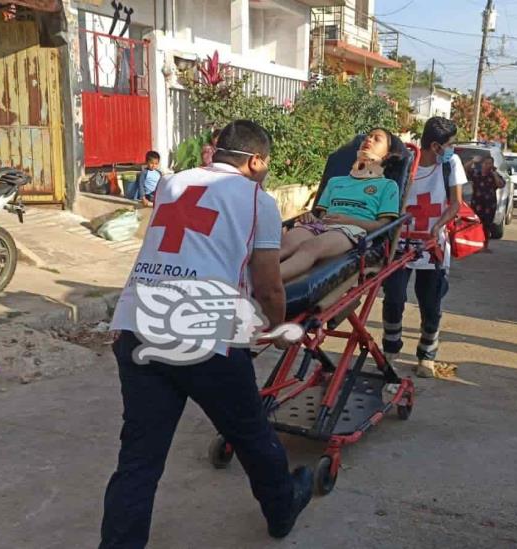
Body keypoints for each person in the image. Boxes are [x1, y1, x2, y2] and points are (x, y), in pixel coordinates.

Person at [100, 120, 313, 548]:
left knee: (139, 458)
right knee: (251, 433)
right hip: (203, 336)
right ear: (256, 161)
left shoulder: (172, 183)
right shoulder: (258, 201)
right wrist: (276, 326)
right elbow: (269, 285)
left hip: (138, 326)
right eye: (266, 165)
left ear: (217, 152)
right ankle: (282, 508)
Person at [381, 117, 467, 378]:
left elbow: (455, 203)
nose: (453, 148)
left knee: (431, 303)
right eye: (450, 144)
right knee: (394, 299)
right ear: (435, 145)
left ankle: (427, 354)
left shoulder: (451, 164)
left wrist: (438, 226)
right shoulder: (406, 162)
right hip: (400, 243)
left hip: (432, 245)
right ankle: (390, 350)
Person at [279, 128, 402, 282]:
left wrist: (348, 221)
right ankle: (246, 277)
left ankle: (262, 283)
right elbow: (322, 215)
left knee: (310, 247)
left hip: (353, 230)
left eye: (377, 139)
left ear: (387, 155)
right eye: (368, 137)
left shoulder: (388, 186)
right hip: (323, 225)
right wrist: (310, 217)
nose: (369, 140)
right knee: (285, 244)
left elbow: (383, 226)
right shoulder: (335, 181)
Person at [464, 155, 505, 250]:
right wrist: (472, 161)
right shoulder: (476, 173)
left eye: (490, 163)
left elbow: (501, 184)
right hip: (476, 203)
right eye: (486, 163)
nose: (488, 165)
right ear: (482, 164)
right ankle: (475, 245)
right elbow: (465, 168)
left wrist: (494, 173)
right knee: (475, 224)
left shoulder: (495, 175)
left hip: (489, 205)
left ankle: (485, 246)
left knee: (487, 225)